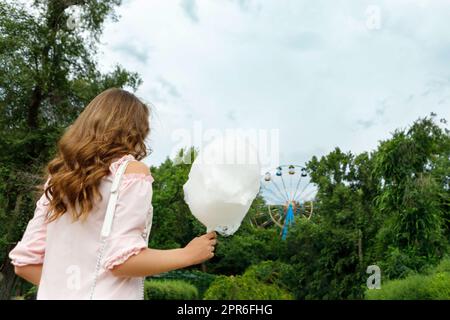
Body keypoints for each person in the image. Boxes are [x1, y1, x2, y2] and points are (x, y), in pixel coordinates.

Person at [9, 88, 217, 299]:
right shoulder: (131, 172)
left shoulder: (58, 181)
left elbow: (24, 263)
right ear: (134, 131)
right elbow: (122, 261)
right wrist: (187, 254)